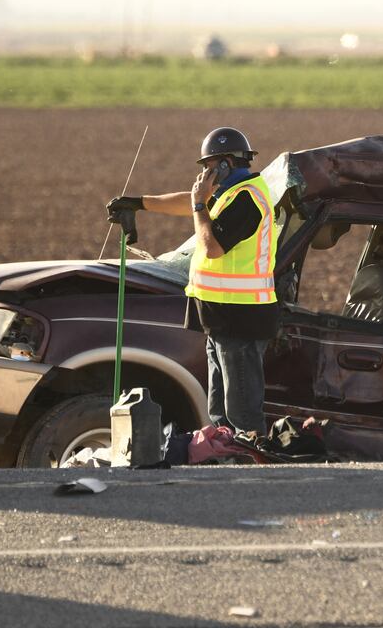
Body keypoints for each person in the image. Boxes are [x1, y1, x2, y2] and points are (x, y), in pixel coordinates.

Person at [107, 127, 278, 436]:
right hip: (220, 317)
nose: (203, 173)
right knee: (219, 411)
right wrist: (139, 203)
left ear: (225, 163)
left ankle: (250, 468)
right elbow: (186, 201)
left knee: (242, 413)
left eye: (208, 166)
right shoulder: (230, 192)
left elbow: (212, 246)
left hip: (240, 319)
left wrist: (200, 205)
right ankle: (223, 463)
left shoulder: (248, 200)